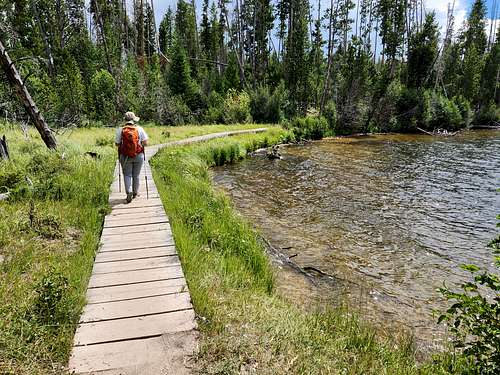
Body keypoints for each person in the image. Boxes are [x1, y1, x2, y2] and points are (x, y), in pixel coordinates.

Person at [115, 112, 149, 203]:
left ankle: (128, 192)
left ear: (125, 120)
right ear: (134, 120)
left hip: (125, 156)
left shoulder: (120, 130)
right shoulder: (139, 129)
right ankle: (135, 192)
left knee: (127, 174)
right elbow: (145, 143)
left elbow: (117, 144)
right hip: (138, 155)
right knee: (136, 175)